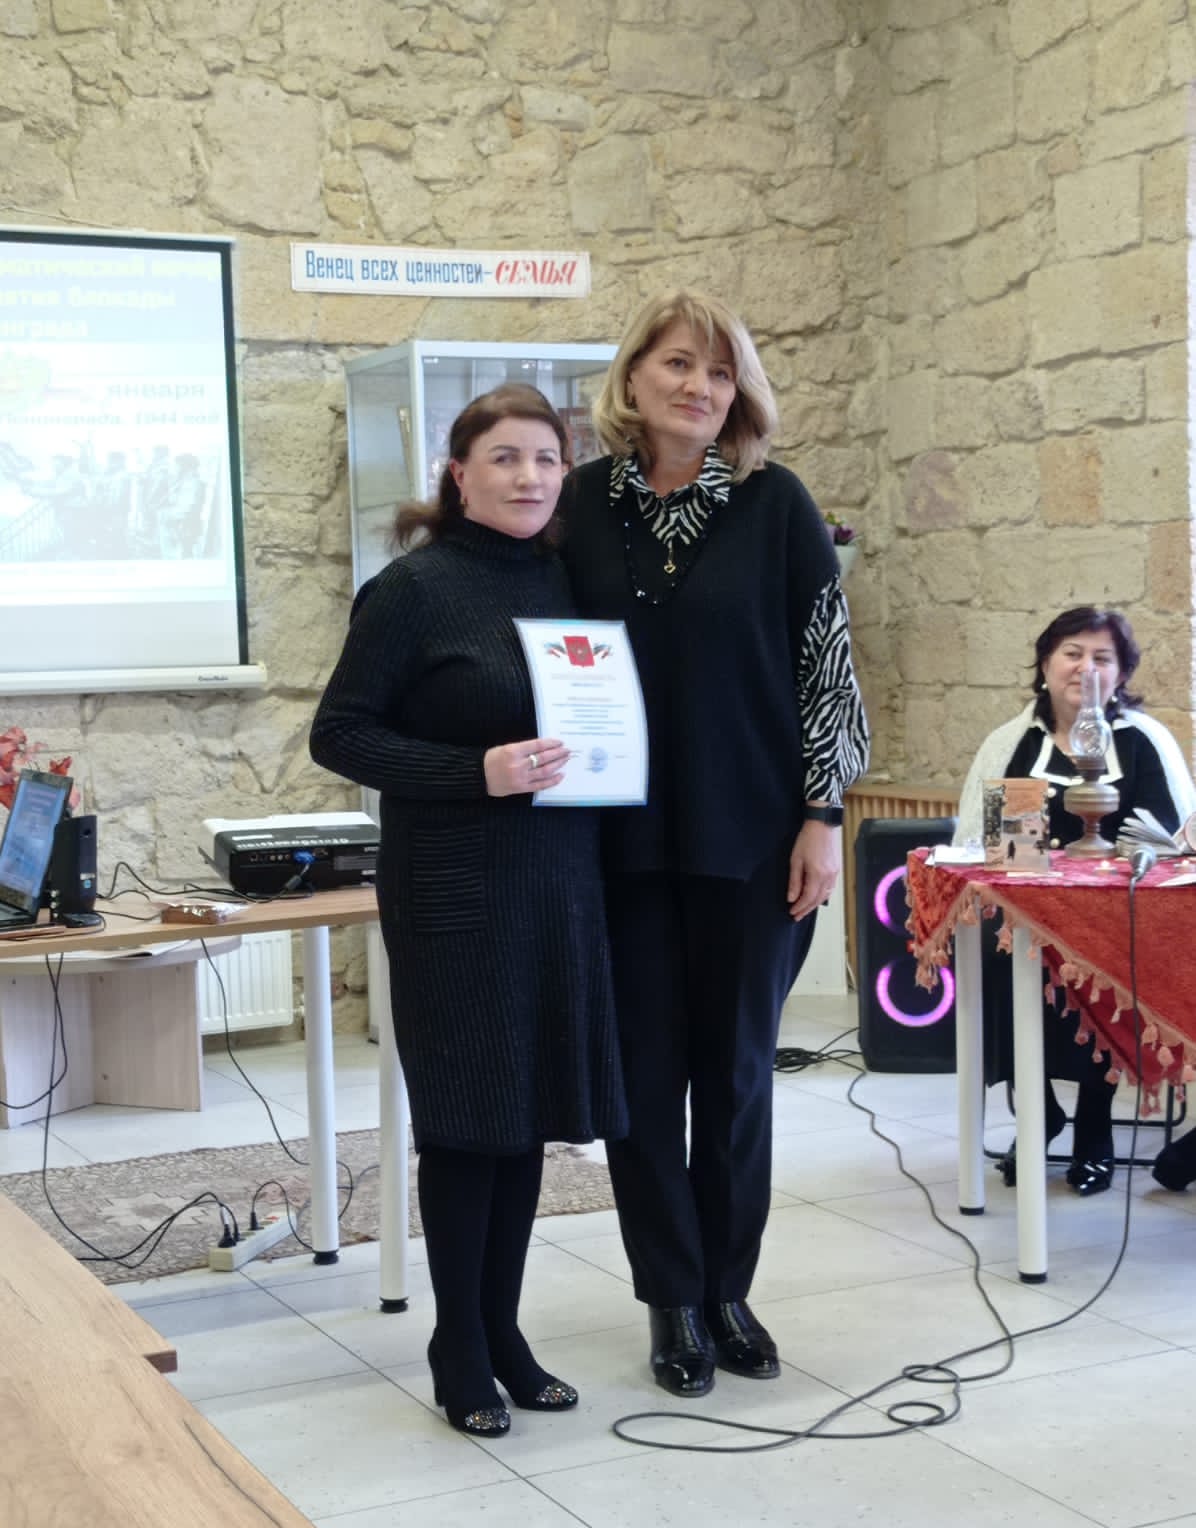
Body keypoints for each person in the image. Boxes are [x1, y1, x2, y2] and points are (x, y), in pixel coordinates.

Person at [559, 290, 869, 1398]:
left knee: (736, 1079)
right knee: (644, 1087)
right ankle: (672, 1300)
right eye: (678, 364)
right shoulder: (580, 504)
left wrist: (823, 817)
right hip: (619, 847)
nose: (699, 387)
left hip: (755, 842)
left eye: (721, 371)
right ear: (634, 376)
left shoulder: (775, 503)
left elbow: (826, 668)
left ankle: (729, 1287)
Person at [310, 384, 626, 1438]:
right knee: (466, 1121)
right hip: (454, 891)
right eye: (504, 457)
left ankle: (503, 1332)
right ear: (459, 474)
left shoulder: (568, 583)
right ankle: (458, 1345)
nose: (528, 477)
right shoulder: (412, 589)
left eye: (546, 458)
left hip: (559, 888)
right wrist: (472, 771)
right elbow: (341, 734)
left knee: (523, 1118)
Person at [955, 606, 1196, 1195]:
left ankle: (1094, 1126)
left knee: (1102, 971)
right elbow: (987, 851)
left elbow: (1174, 841)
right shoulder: (1015, 743)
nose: (1086, 668)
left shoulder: (1142, 742)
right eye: (1072, 653)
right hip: (1026, 921)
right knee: (1000, 958)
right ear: (1045, 663)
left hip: (1122, 923)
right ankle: (1037, 1112)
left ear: (1121, 673)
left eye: (1102, 658)